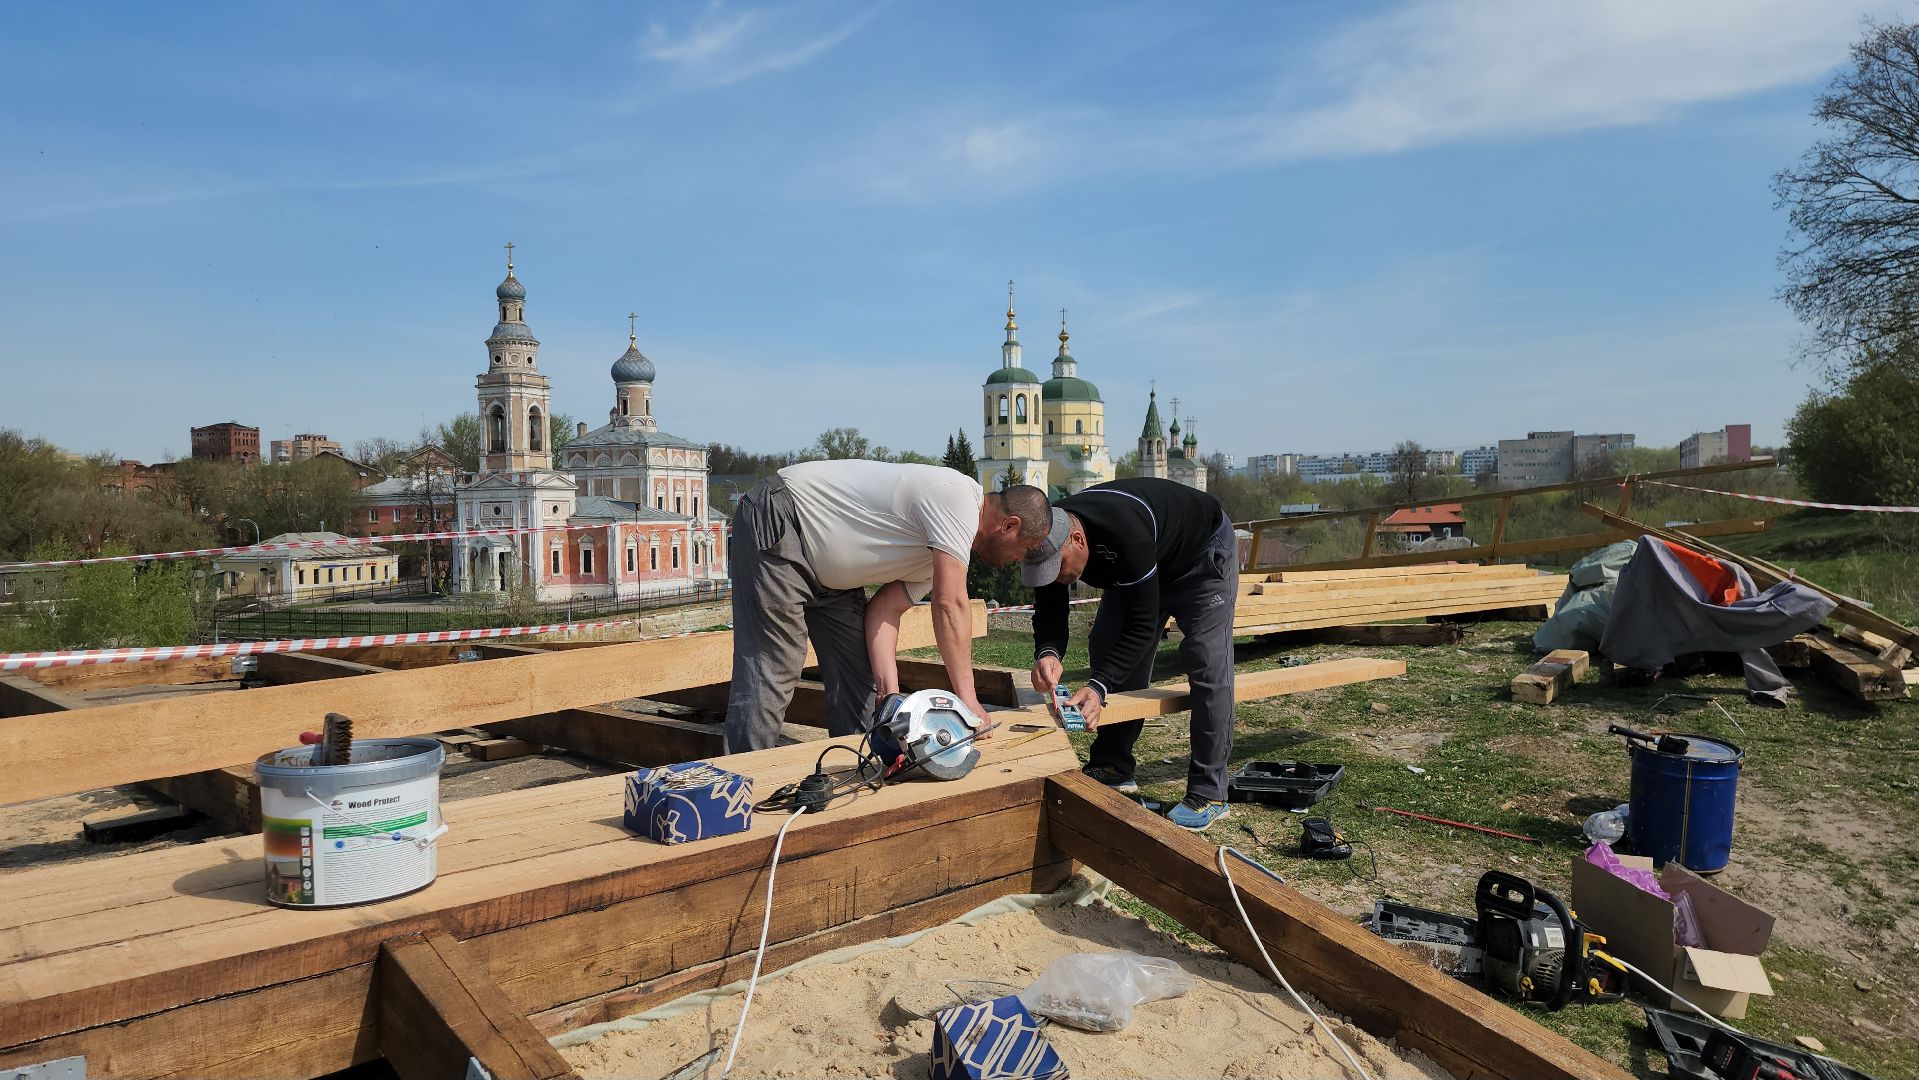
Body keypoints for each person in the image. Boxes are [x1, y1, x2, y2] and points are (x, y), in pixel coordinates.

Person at [724, 459, 1051, 752]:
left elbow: (884, 610)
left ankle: (852, 779)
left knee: (859, 683)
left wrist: (890, 695)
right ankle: (740, 791)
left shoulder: (937, 552)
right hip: (783, 519)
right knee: (774, 665)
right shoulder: (959, 498)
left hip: (831, 576)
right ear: (1009, 525)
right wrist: (968, 700)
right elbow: (950, 604)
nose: (1018, 561)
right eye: (1026, 549)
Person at [1023, 477, 1238, 830]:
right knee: (1107, 641)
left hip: (1199, 558)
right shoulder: (1049, 534)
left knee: (1207, 660)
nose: (1055, 578)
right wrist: (1048, 651)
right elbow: (1050, 608)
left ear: (1077, 540)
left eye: (1057, 568)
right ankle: (1113, 764)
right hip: (1143, 563)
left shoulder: (1123, 530)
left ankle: (1209, 790)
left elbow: (1140, 628)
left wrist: (1098, 686)